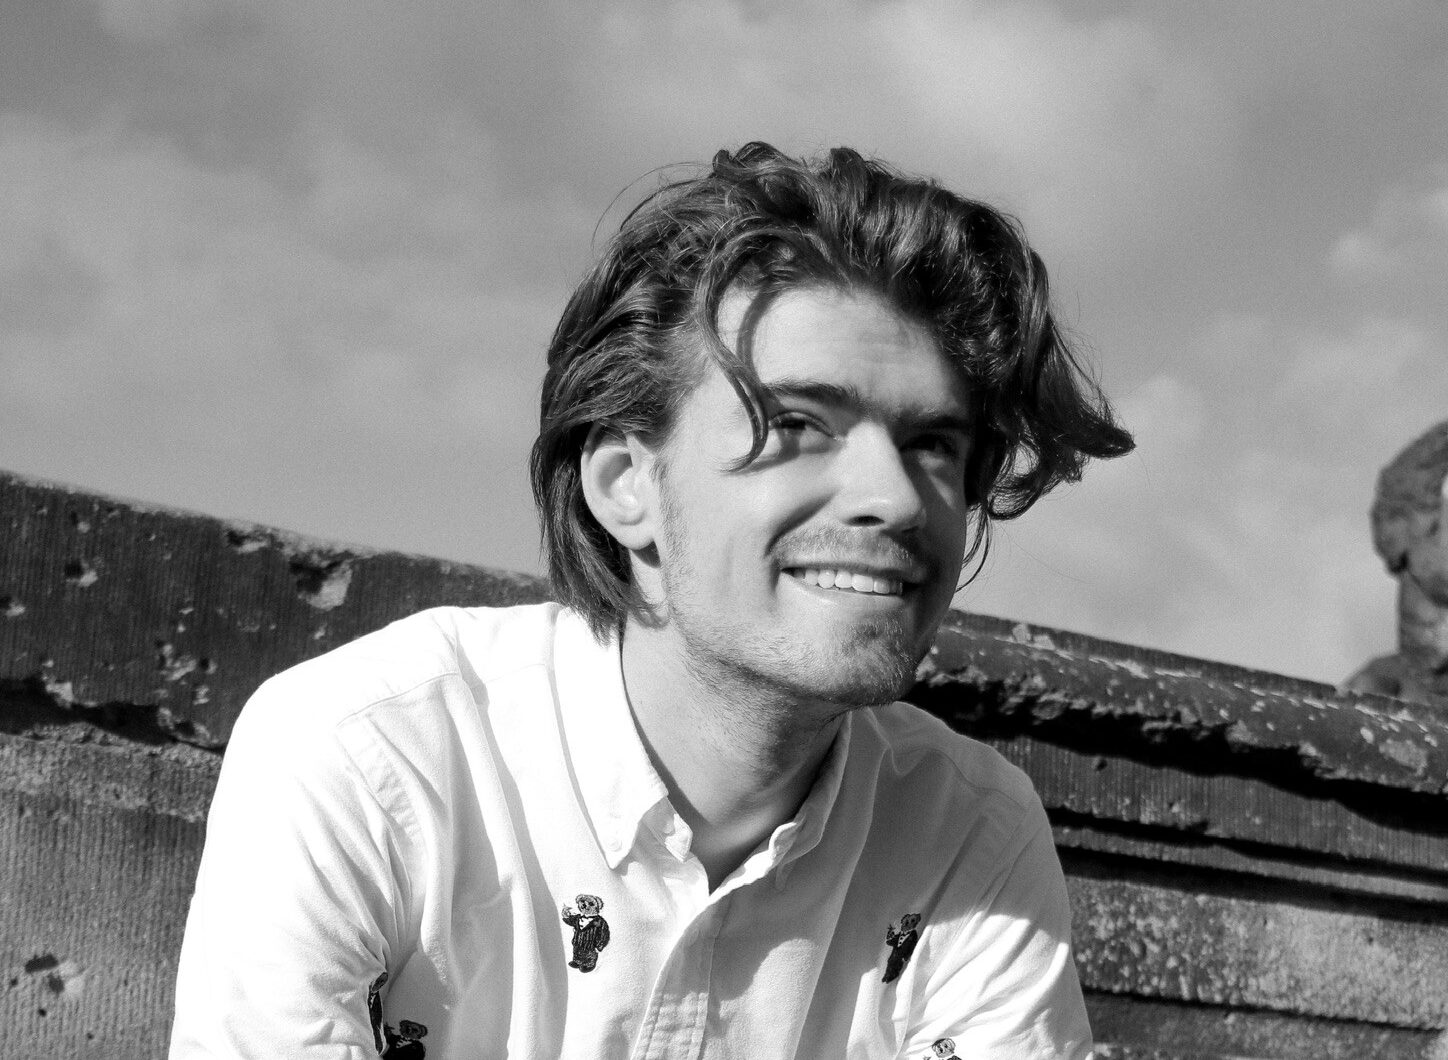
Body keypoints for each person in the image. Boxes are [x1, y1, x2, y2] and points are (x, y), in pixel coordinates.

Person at [169, 142, 1133, 1059]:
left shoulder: (968, 829)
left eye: (933, 444)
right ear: (624, 484)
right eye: (798, 424)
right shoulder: (374, 755)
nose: (896, 497)